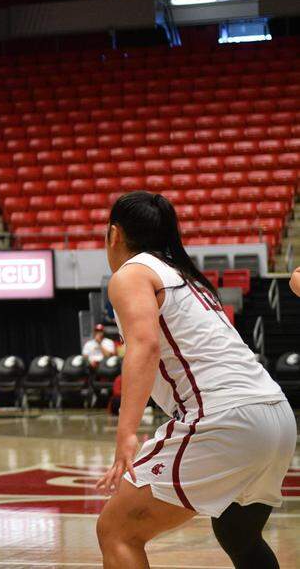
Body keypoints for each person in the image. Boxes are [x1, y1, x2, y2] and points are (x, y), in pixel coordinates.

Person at [95, 191, 295, 569]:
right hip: (277, 415)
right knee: (239, 534)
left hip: (224, 417)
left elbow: (145, 346)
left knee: (117, 530)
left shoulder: (132, 273)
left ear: (114, 234)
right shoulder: (188, 278)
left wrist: (126, 432)